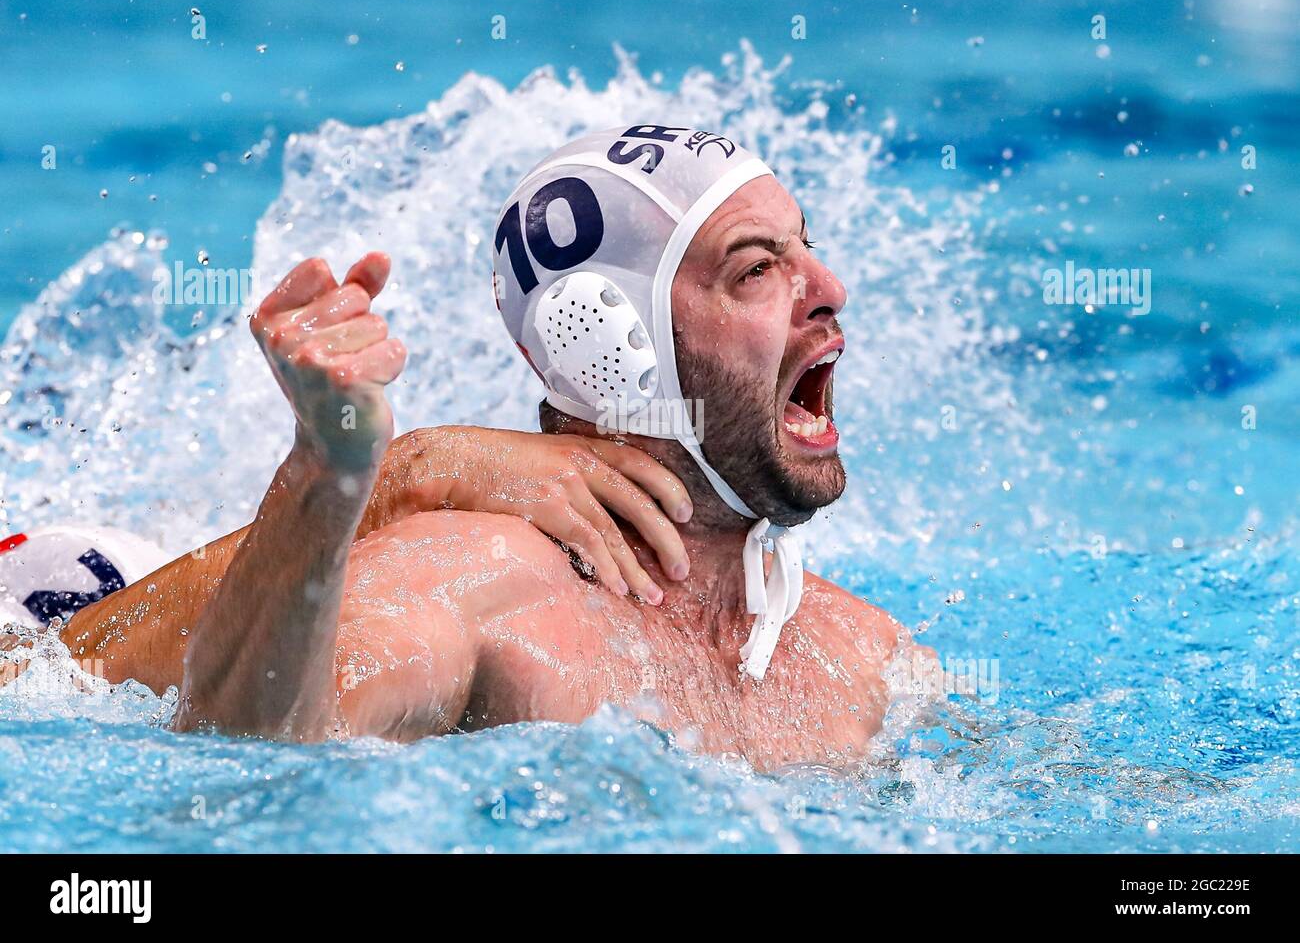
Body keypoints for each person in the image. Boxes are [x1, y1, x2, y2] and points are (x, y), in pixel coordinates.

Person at [57, 125, 927, 771]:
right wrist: (333, 468)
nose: (830, 290)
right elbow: (245, 756)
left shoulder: (865, 657)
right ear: (613, 344)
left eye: (806, 247)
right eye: (756, 269)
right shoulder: (478, 585)